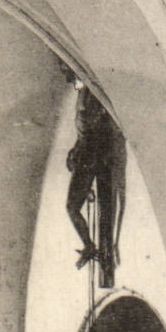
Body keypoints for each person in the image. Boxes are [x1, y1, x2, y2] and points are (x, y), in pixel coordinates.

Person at [65, 87, 125, 278]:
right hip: (85, 156)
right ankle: (89, 245)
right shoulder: (83, 96)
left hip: (91, 158)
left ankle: (94, 248)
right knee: (71, 208)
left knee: (73, 208)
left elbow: (96, 131)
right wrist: (75, 149)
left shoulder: (92, 96)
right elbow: (82, 132)